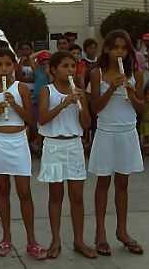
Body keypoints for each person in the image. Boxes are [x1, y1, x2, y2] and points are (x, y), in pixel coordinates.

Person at [0, 48, 47, 260]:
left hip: (17, 142)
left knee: (24, 192)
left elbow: (30, 119)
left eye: (8, 65)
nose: (4, 69)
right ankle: (6, 238)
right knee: (2, 190)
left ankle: (31, 240)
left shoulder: (21, 89)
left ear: (14, 66)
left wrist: (14, 104)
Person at [88, 29, 144, 256]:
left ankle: (122, 231)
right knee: (103, 184)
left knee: (123, 185)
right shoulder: (97, 74)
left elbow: (141, 109)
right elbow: (95, 109)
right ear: (108, 49)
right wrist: (111, 88)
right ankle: (100, 234)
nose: (119, 52)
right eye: (115, 48)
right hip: (106, 132)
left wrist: (131, 94)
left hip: (127, 133)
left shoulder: (136, 75)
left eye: (124, 48)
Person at [37, 51, 97, 259]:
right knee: (56, 196)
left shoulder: (79, 92)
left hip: (74, 145)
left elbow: (87, 124)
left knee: (77, 197)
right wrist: (64, 103)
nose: (70, 70)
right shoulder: (47, 91)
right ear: (53, 70)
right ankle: (55, 240)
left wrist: (81, 106)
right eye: (65, 66)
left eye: (73, 66)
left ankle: (79, 240)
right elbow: (42, 119)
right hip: (53, 145)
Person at [140, 85, 149, 155]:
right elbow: (143, 111)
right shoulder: (144, 103)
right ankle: (147, 147)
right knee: (146, 137)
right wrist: (147, 102)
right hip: (146, 124)